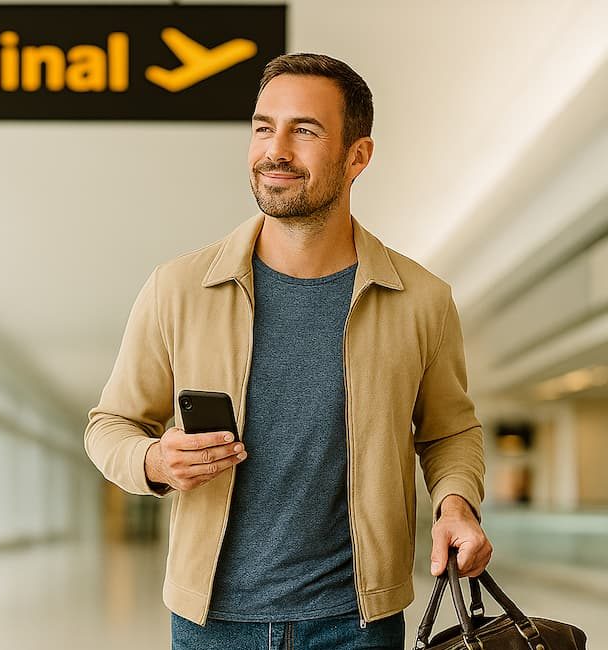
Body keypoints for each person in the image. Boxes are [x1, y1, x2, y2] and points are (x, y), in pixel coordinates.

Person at [83, 52, 492, 650]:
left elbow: (449, 431)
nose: (275, 150)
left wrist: (456, 504)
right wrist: (154, 462)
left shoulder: (421, 301)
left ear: (358, 156)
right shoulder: (178, 289)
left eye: (304, 130)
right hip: (211, 625)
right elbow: (109, 426)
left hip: (358, 624)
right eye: (262, 126)